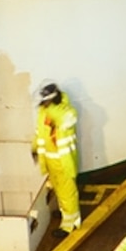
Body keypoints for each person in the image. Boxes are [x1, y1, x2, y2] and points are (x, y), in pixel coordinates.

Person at [31, 82, 82, 229]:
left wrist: (50, 109)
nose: (43, 104)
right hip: (50, 161)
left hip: (63, 162)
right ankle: (65, 212)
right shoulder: (43, 112)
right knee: (59, 191)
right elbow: (39, 132)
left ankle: (70, 225)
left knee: (68, 193)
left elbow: (64, 120)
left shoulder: (68, 112)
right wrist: (34, 148)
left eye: (46, 101)